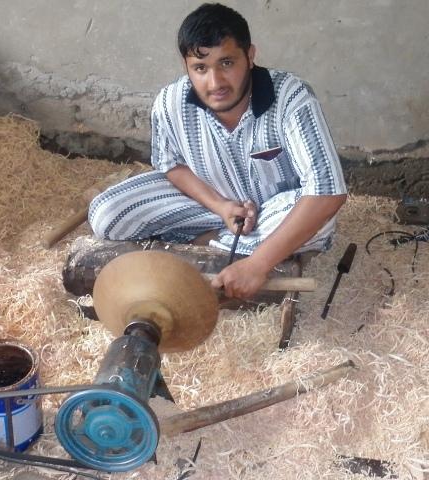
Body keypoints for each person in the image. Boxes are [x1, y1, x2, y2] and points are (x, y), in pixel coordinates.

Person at [89, 3, 347, 299]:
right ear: (187, 66)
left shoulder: (291, 97)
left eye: (226, 63)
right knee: (105, 213)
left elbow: (328, 192)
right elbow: (170, 164)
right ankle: (218, 244)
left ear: (250, 56)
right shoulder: (170, 103)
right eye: (200, 68)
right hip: (211, 209)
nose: (215, 83)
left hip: (272, 215)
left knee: (319, 222)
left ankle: (194, 247)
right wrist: (222, 207)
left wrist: (258, 265)